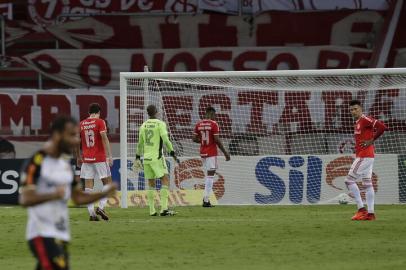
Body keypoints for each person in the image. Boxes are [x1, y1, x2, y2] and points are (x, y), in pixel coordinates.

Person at [19, 115, 116, 270]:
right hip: (42, 235)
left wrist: (104, 194)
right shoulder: (38, 161)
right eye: (72, 135)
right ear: (58, 135)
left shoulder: (64, 165)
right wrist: (53, 195)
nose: (77, 140)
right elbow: (25, 198)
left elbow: (77, 197)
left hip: (61, 235)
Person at [134, 104, 179, 216]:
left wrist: (137, 157)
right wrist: (172, 152)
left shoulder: (143, 125)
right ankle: (164, 209)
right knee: (165, 180)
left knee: (151, 183)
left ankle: (152, 210)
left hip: (146, 158)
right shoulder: (160, 124)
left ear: (147, 113)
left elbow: (140, 144)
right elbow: (165, 139)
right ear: (157, 112)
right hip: (157, 157)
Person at [346, 100, 387, 221]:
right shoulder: (358, 122)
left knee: (348, 180)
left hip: (365, 156)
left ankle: (361, 210)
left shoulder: (365, 119)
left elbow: (382, 127)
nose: (353, 111)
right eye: (351, 110)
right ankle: (370, 214)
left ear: (361, 109)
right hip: (367, 156)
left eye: (356, 109)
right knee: (367, 184)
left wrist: (371, 141)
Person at [77, 103, 113, 221]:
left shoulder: (81, 124)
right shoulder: (100, 122)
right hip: (99, 158)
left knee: (88, 187)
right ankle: (101, 207)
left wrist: (78, 156)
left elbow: (77, 141)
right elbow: (104, 137)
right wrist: (109, 155)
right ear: (98, 112)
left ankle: (92, 214)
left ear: (89, 113)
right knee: (108, 183)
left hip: (86, 159)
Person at [193, 106, 230, 207]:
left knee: (209, 175)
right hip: (211, 153)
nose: (215, 117)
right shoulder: (214, 124)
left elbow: (194, 139)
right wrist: (225, 153)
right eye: (215, 115)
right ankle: (206, 200)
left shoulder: (198, 124)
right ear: (212, 114)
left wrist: (203, 140)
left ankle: (206, 199)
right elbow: (217, 140)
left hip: (202, 152)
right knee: (210, 176)